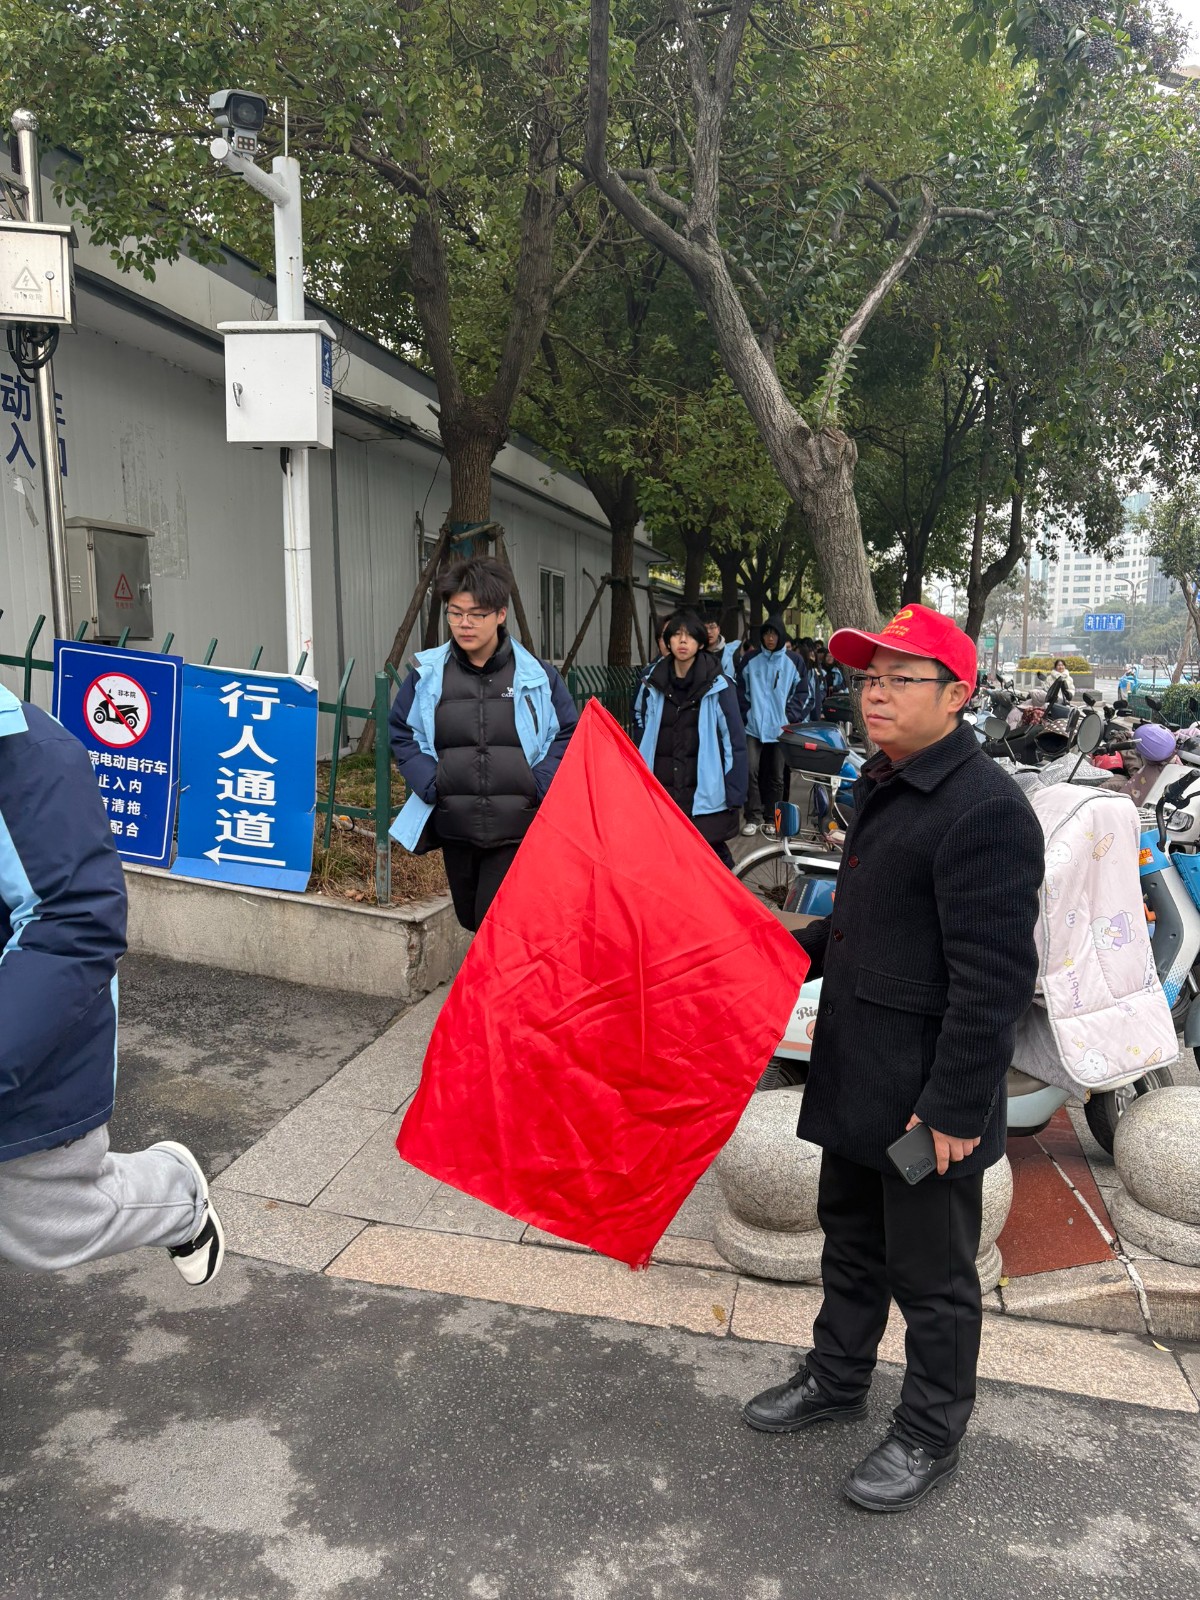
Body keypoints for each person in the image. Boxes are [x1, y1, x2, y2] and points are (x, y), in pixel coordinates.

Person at [742, 603, 1043, 1512]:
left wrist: (952, 1105)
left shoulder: (985, 809)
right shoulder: (885, 780)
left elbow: (994, 980)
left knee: (934, 1279)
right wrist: (777, 949)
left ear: (957, 694)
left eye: (900, 678)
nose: (875, 694)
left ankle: (929, 1432)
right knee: (851, 1243)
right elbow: (867, 921)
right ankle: (837, 1378)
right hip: (859, 1070)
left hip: (927, 1098)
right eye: (868, 678)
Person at [0, 682, 223, 1285]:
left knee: (50, 1223)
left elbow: (74, 920)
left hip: (28, 1053)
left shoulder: (30, 755)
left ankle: (176, 1194)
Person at [390, 556, 578, 931]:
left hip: (516, 826)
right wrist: (431, 782)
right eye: (456, 613)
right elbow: (402, 731)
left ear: (500, 615)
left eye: (476, 614)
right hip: (456, 823)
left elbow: (567, 733)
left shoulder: (537, 676)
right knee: (470, 919)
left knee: (494, 924)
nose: (465, 623)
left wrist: (537, 783)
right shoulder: (429, 675)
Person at [637, 610, 748, 868]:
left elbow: (734, 742)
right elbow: (642, 730)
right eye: (676, 635)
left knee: (712, 859)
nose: (683, 641)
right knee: (664, 858)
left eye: (689, 636)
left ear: (700, 642)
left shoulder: (719, 685)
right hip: (662, 786)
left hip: (704, 789)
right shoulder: (652, 683)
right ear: (667, 641)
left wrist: (735, 792)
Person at [738, 615, 804, 837]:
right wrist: (747, 715)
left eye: (774, 634)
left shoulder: (794, 661)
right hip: (753, 727)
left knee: (777, 775)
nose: (770, 638)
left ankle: (771, 818)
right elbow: (740, 691)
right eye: (766, 633)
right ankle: (752, 817)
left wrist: (789, 716)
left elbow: (803, 693)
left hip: (780, 729)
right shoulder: (750, 660)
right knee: (750, 770)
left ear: (781, 635)